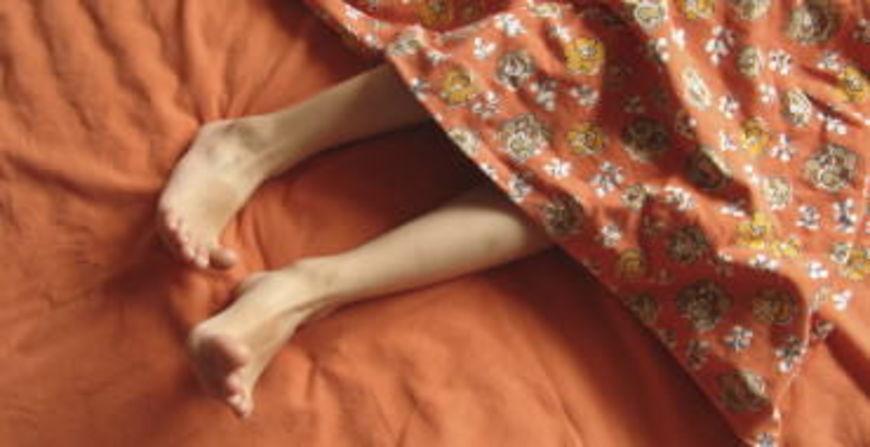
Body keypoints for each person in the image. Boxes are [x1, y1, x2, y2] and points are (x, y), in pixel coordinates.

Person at [158, 1, 867, 444]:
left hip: (841, 77)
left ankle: (304, 291)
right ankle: (256, 144)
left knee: (651, 191)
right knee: (622, 38)